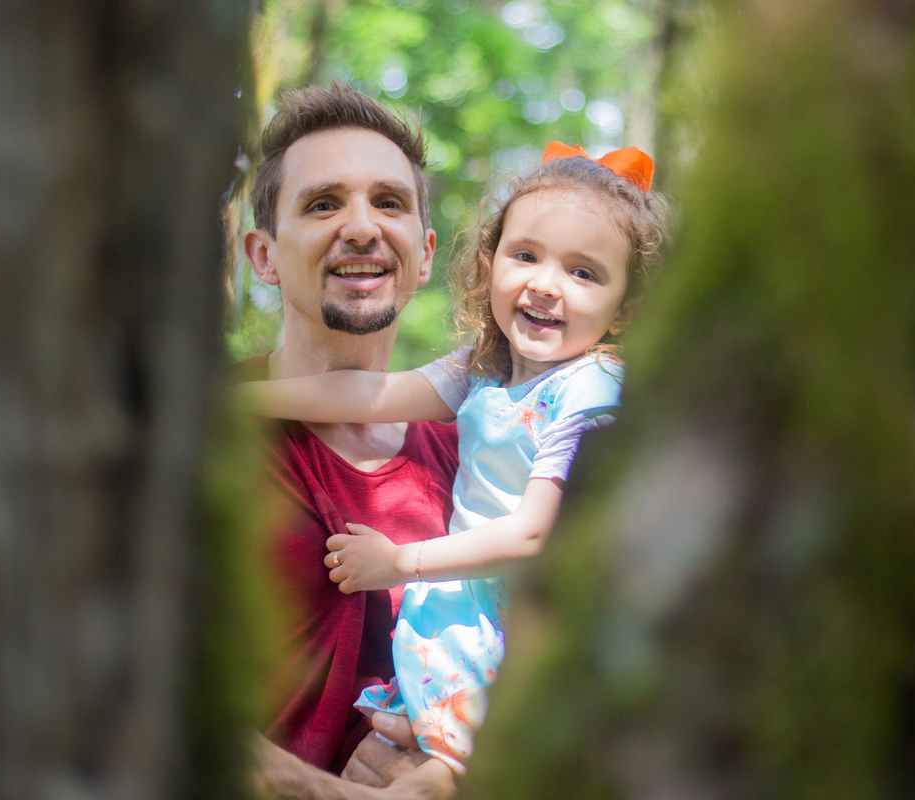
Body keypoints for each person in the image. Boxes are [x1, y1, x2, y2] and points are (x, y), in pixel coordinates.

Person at [238, 141, 668, 777]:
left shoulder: (589, 391)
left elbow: (535, 532)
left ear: (625, 305)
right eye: (526, 256)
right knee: (395, 748)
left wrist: (399, 562)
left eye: (583, 273)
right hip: (462, 613)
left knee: (454, 763)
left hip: (521, 622)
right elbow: (367, 394)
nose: (545, 285)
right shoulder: (484, 368)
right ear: (491, 265)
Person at [238, 83, 458, 799]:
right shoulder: (197, 435)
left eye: (389, 202)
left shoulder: (478, 453)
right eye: (323, 203)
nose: (362, 227)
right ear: (264, 256)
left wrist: (446, 771)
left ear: (423, 255)